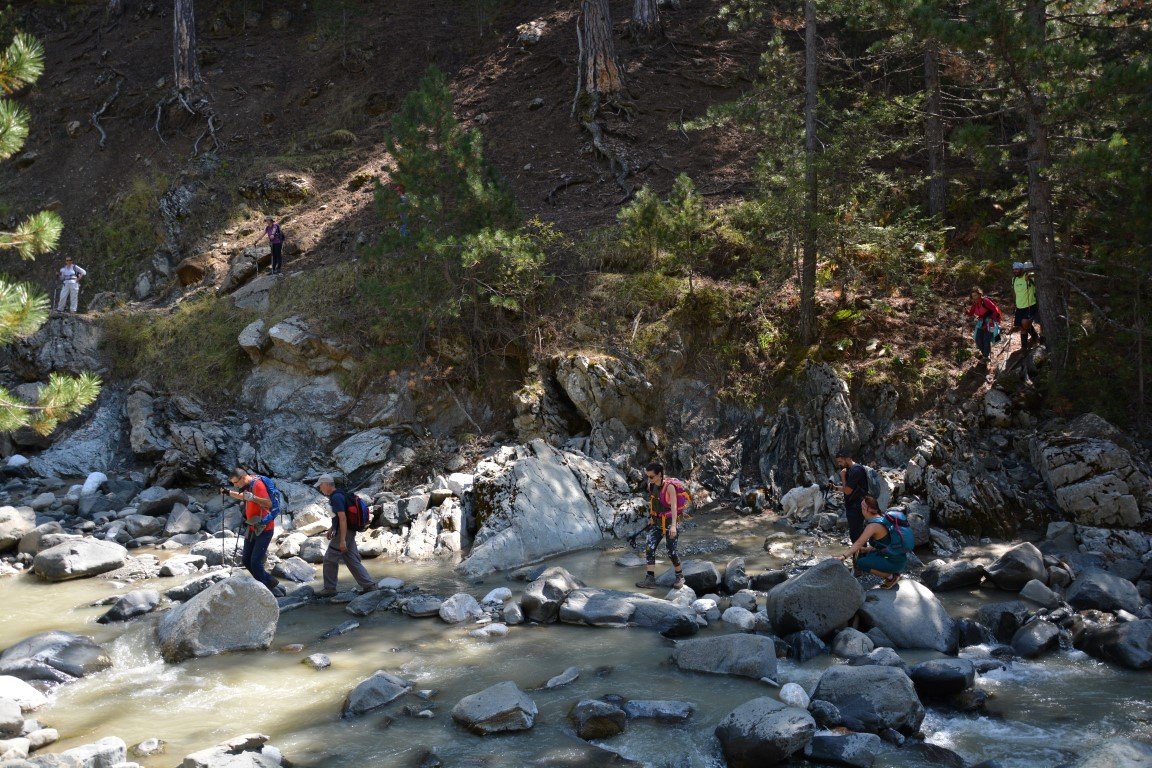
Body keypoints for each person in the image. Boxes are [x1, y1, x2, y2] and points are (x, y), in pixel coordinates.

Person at [315, 473, 376, 597]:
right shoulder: (341, 493)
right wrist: (332, 528)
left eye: (320, 486)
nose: (320, 489)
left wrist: (342, 540)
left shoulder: (336, 497)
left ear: (326, 485)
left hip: (345, 532)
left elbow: (343, 519)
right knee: (351, 559)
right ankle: (369, 586)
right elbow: (340, 517)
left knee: (329, 559)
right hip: (349, 531)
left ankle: (330, 589)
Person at [225, 467, 282, 594]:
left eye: (235, 482)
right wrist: (228, 492)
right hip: (252, 527)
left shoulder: (258, 485)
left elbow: (268, 504)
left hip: (264, 528)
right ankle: (269, 582)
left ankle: (267, 590)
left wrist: (252, 498)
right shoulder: (248, 484)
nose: (235, 485)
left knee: (255, 562)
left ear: (243, 477)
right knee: (246, 560)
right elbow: (246, 497)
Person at [635, 462, 685, 590]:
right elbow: (653, 502)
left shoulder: (669, 488)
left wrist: (673, 526)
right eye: (647, 476)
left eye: (651, 476)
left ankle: (680, 576)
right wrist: (652, 518)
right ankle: (650, 578)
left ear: (659, 475)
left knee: (671, 551)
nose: (649, 479)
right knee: (649, 548)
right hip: (657, 522)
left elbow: (673, 507)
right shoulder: (651, 486)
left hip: (670, 523)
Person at [840, 495, 908, 589]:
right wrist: (867, 549)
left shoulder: (873, 526)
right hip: (899, 558)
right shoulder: (882, 517)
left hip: (895, 561)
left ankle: (891, 577)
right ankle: (894, 571)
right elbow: (884, 544)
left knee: (862, 563)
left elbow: (859, 542)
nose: (861, 509)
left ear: (867, 509)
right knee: (869, 555)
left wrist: (843, 556)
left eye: (862, 507)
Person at [829, 450, 869, 546]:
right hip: (853, 505)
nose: (839, 464)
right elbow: (848, 488)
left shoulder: (856, 470)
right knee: (855, 532)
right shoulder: (850, 469)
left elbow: (847, 490)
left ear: (847, 459)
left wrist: (842, 476)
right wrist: (834, 488)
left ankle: (861, 556)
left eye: (840, 461)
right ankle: (859, 555)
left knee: (856, 534)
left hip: (857, 506)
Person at [964, 286, 1001, 366]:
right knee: (977, 339)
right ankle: (986, 355)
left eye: (976, 295)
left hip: (991, 321)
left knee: (986, 339)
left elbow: (995, 310)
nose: (974, 297)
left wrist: (991, 319)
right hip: (981, 322)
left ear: (980, 294)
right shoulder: (975, 304)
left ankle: (985, 357)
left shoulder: (986, 301)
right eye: (973, 296)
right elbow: (971, 313)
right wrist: (967, 312)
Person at [1011, 261, 1041, 351]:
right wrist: (1014, 302)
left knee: (1024, 324)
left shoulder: (1028, 277)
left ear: (1022, 269)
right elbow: (1014, 292)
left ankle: (1035, 337)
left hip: (1030, 305)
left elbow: (1034, 275)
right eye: (1014, 269)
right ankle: (1024, 346)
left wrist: (1030, 274)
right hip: (1019, 307)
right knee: (1022, 327)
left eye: (1017, 269)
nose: (1015, 271)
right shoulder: (1014, 279)